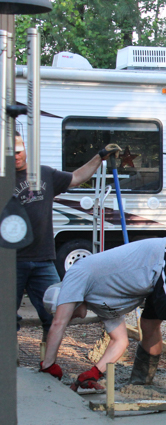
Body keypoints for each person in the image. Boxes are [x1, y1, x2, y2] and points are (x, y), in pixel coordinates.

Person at [38, 238, 166, 400]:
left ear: (69, 298)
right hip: (154, 276)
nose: (72, 317)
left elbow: (58, 324)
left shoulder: (76, 274)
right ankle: (141, 383)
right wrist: (94, 373)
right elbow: (120, 341)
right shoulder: (97, 302)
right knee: (148, 325)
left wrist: (48, 365)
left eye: (69, 311)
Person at [15, 132, 120, 339]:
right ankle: (10, 364)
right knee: (6, 317)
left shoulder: (45, 174)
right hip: (11, 261)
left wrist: (99, 157)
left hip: (43, 259)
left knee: (55, 311)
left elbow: (77, 177)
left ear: (25, 148)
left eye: (19, 151)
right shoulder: (3, 178)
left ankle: (47, 362)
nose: (16, 155)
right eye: (11, 152)